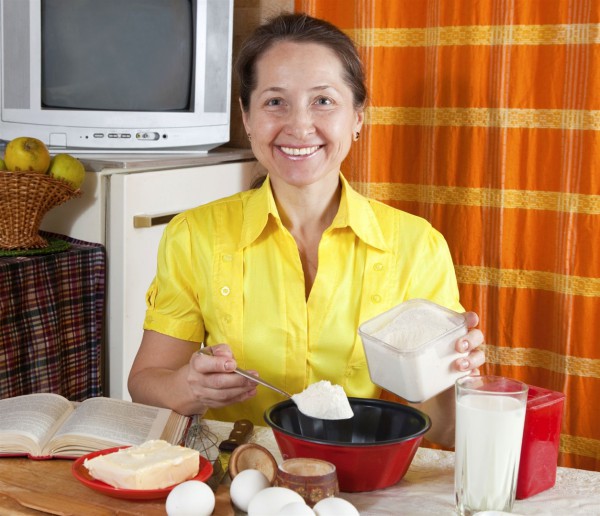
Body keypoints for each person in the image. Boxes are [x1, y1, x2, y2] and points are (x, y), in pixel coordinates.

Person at [128, 13, 484, 446]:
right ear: (247, 116)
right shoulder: (194, 234)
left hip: (356, 476)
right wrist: (189, 386)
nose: (299, 126)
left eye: (323, 101)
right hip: (234, 470)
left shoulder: (416, 246)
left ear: (357, 117)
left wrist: (461, 375)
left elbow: (443, 429)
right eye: (275, 102)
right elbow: (145, 383)